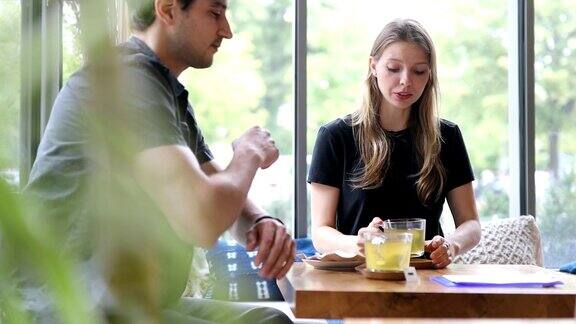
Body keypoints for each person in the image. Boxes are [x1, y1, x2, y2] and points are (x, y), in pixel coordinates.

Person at [24, 0, 294, 322]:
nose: (227, 31)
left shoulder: (162, 90)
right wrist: (249, 153)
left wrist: (262, 221)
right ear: (167, 10)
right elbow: (202, 218)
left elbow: (217, 189)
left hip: (127, 302)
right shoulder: (130, 80)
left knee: (268, 320)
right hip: (71, 306)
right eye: (215, 13)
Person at [308, 19, 481, 269]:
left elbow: (471, 224)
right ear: (373, 66)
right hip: (360, 278)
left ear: (429, 74)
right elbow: (321, 231)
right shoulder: (336, 136)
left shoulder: (447, 136)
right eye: (393, 68)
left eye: (419, 71)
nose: (405, 81)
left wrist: (451, 245)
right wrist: (356, 243)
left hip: (427, 280)